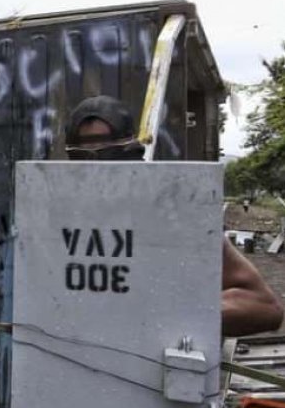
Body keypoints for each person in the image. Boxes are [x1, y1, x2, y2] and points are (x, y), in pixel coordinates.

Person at [65, 95, 284, 337]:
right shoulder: (49, 218)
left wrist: (163, 314)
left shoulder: (174, 216)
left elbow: (264, 306)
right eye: (83, 153)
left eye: (104, 151)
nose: (96, 167)